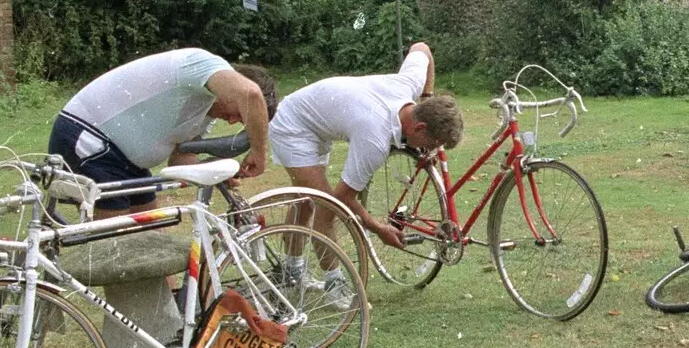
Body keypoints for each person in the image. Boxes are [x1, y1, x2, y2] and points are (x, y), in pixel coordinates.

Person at [269, 42, 463, 274]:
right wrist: (379, 228)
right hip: (293, 125)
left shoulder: (409, 84)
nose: (429, 150)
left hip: (317, 118)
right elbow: (342, 199)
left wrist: (427, 96)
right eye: (431, 144)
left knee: (305, 201)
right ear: (420, 127)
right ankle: (335, 283)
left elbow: (422, 48)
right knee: (324, 205)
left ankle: (291, 272)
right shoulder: (374, 138)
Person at [50, 49, 277, 219]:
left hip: (122, 158)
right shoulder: (202, 64)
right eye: (239, 114)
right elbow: (251, 93)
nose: (232, 121)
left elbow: (181, 157)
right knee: (119, 246)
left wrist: (212, 173)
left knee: (152, 232)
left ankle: (168, 285)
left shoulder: (204, 111)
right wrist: (259, 151)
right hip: (87, 137)